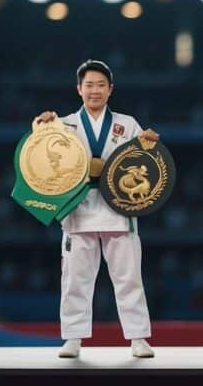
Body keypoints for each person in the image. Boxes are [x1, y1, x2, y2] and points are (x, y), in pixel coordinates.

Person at [32, 60, 159, 358]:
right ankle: (73, 338)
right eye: (89, 85)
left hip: (119, 208)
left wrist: (150, 145)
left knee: (128, 277)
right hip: (77, 209)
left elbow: (147, 161)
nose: (95, 90)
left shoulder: (127, 124)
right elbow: (39, 153)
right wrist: (40, 124)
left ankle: (138, 337)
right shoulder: (62, 124)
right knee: (75, 278)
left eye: (101, 85)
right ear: (79, 89)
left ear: (110, 89)